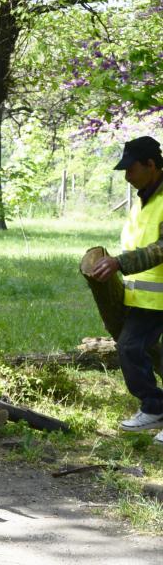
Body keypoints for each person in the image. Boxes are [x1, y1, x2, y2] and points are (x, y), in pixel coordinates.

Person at [90, 136, 163, 444]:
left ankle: (154, 406)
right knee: (134, 349)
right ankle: (155, 407)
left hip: (156, 300)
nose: (126, 176)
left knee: (130, 347)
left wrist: (120, 263)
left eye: (131, 169)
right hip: (146, 299)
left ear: (151, 165)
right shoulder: (143, 198)